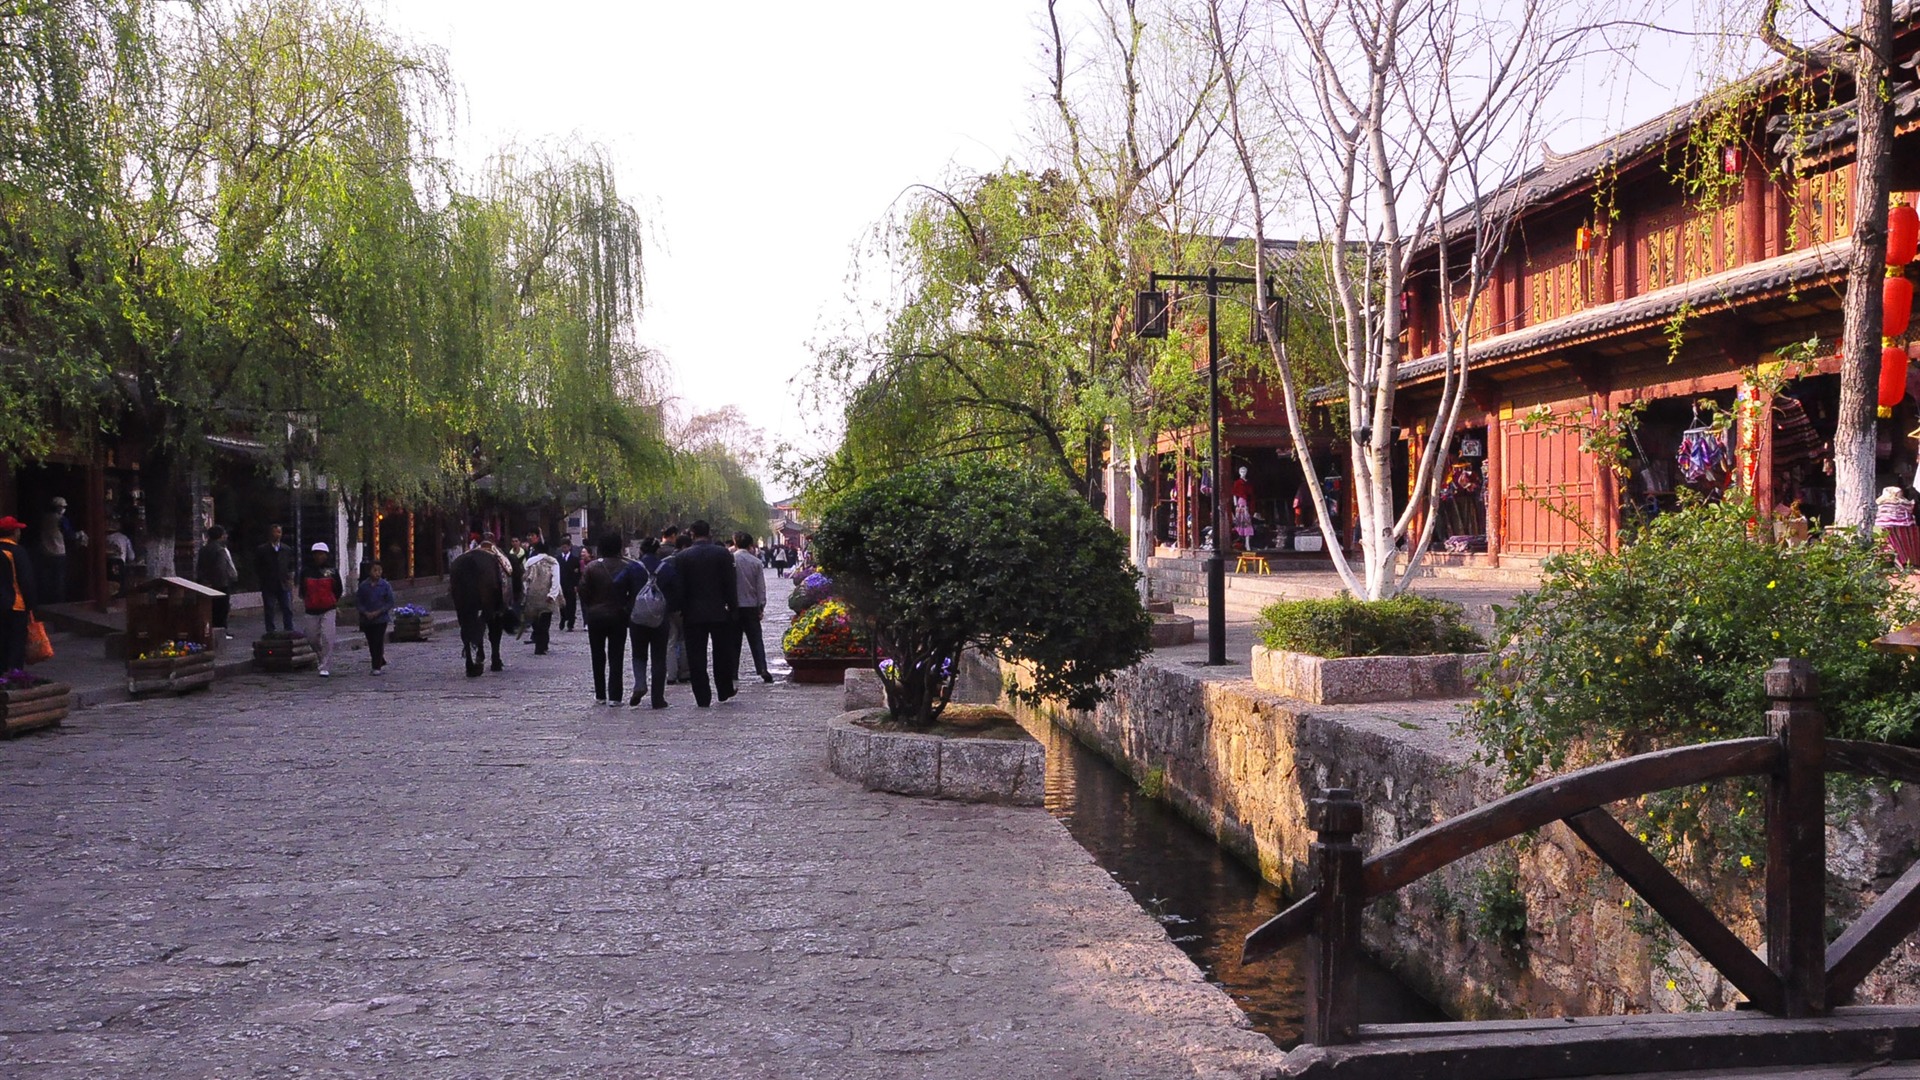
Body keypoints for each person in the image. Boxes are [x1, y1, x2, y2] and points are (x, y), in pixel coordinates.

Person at [676, 520, 740, 707]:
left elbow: (680, 588)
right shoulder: (722, 554)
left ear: (692, 534)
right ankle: (724, 689)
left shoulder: (683, 557)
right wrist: (733, 608)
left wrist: (682, 608)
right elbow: (730, 584)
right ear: (709, 532)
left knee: (696, 655)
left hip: (693, 613)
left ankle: (702, 696)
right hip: (719, 610)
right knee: (722, 652)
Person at [578, 533, 631, 704]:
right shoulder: (626, 566)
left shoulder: (592, 567)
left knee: (597, 655)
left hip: (596, 616)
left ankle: (600, 694)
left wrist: (591, 606)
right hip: (618, 615)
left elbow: (583, 590)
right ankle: (615, 695)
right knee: (617, 656)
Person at [618, 537, 670, 708]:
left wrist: (627, 603)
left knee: (638, 653)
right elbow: (677, 588)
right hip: (660, 618)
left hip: (637, 617)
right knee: (659, 657)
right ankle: (658, 698)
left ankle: (640, 683)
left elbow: (617, 584)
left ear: (641, 551)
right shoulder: (666, 568)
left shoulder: (633, 567)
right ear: (657, 551)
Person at [449, 541, 508, 677]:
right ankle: (495, 657)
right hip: (492, 598)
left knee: (465, 618)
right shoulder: (497, 558)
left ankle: (469, 659)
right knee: (495, 616)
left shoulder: (460, 562)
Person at [733, 531, 773, 683]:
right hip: (751, 606)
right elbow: (760, 587)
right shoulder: (755, 562)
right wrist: (761, 606)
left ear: (735, 543)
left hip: (734, 606)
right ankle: (762, 668)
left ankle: (733, 672)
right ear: (750, 545)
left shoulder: (731, 560)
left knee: (734, 642)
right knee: (756, 639)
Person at [299, 542, 343, 677]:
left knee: (328, 637)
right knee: (312, 637)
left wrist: (332, 601)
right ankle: (320, 655)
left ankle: (325, 666)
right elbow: (302, 589)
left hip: (328, 608)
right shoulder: (306, 571)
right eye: (317, 554)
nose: (319, 557)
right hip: (311, 609)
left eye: (322, 554)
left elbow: (338, 590)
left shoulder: (332, 571)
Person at [0, 515, 38, 672]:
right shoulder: (17, 552)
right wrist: (31, 605)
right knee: (16, 644)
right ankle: (14, 676)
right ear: (14, 532)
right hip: (16, 605)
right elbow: (26, 581)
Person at [195, 525, 239, 639]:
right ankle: (222, 632)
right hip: (221, 584)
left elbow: (200, 567)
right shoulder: (220, 550)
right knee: (222, 610)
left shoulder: (203, 549)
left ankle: (211, 631)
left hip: (206, 583)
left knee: (211, 610)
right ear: (220, 536)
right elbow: (221, 568)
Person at [253, 524, 296, 633]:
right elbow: (257, 566)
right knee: (269, 608)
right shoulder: (262, 549)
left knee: (287, 608)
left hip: (283, 583)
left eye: (279, 532)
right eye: (275, 532)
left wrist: (290, 579)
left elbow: (290, 565)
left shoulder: (286, 549)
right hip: (268, 583)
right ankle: (270, 631)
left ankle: (289, 629)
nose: (277, 535)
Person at [356, 560, 395, 675]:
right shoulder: (363, 586)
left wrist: (379, 611)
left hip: (381, 618)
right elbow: (358, 602)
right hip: (367, 619)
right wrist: (365, 612)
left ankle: (376, 666)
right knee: (371, 641)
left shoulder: (385, 585)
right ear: (369, 572)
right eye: (375, 570)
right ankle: (379, 658)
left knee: (378, 640)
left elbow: (390, 602)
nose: (377, 573)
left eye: (379, 570)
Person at [521, 541, 561, 654]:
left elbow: (525, 579)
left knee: (534, 621)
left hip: (532, 595)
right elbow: (556, 579)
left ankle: (540, 643)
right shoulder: (552, 562)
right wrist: (553, 594)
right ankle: (542, 645)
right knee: (545, 621)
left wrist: (525, 593)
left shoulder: (530, 562)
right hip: (546, 594)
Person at [34, 497, 72, 604]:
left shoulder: (44, 518)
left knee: (45, 579)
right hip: (58, 553)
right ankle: (59, 603)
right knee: (58, 580)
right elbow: (69, 534)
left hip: (44, 552)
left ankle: (45, 601)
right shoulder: (62, 519)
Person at [557, 536, 582, 632]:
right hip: (561, 584)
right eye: (562, 547)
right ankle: (563, 618)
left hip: (571, 585)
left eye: (566, 547)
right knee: (562, 604)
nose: (564, 549)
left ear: (569, 547)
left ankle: (571, 623)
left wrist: (576, 585)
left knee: (572, 604)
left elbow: (577, 574)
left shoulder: (575, 560)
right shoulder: (558, 559)